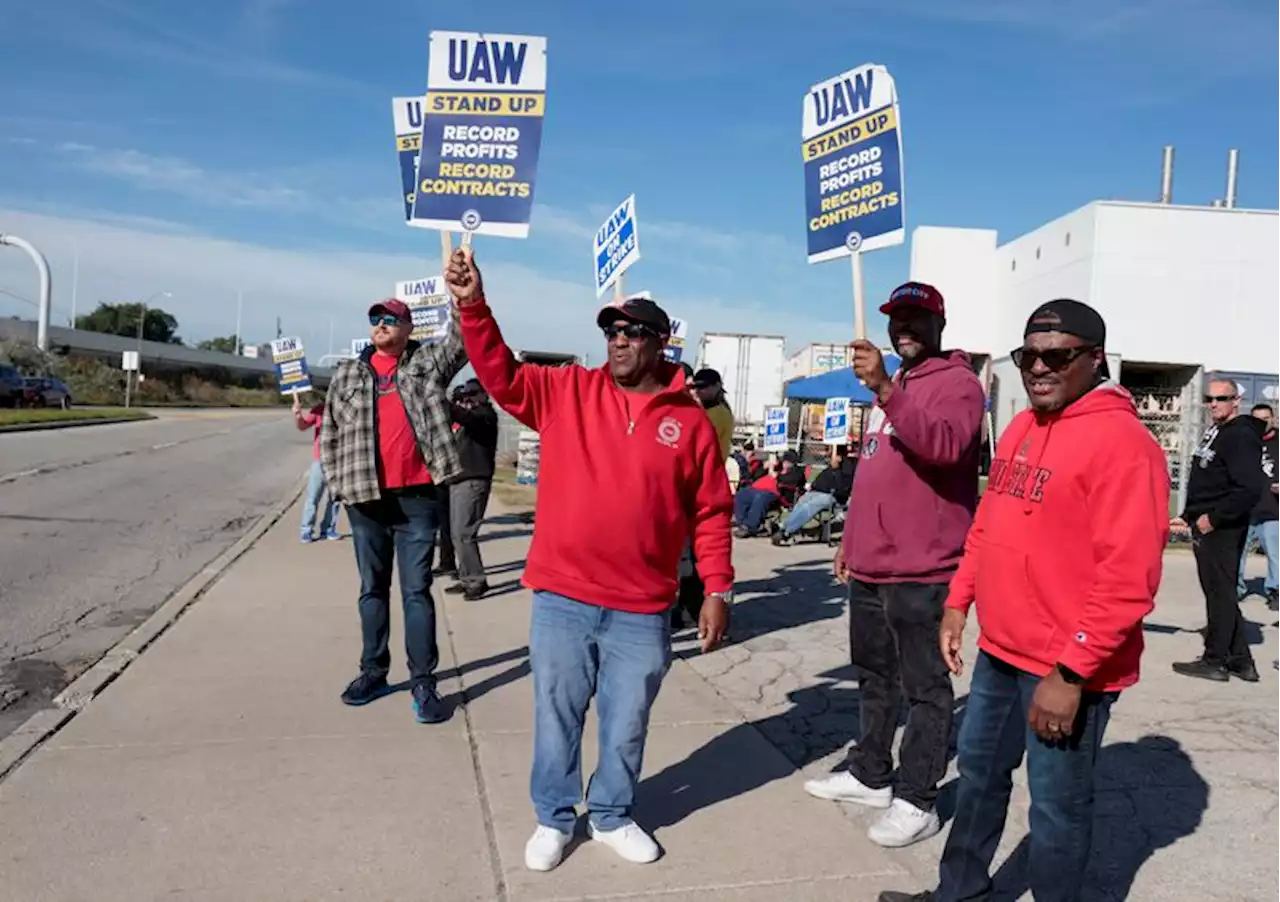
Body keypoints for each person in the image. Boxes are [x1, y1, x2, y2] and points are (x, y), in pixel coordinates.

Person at [445, 247, 733, 873]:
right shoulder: (566, 390)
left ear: (661, 342)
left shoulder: (690, 423)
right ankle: (554, 816)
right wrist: (473, 305)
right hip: (563, 597)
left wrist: (717, 588)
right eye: (610, 329)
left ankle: (610, 813)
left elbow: (711, 512)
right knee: (557, 717)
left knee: (626, 722)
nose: (618, 340)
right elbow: (499, 374)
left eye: (632, 331)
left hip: (643, 606)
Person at [877, 299, 1170, 902]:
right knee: (981, 779)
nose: (1038, 367)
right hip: (1001, 654)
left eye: (1056, 355)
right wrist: (960, 602)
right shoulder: (1019, 426)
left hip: (1067, 669)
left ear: (1095, 359)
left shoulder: (1125, 445)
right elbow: (988, 523)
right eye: (1027, 356)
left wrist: (1071, 672)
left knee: (1057, 810)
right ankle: (958, 892)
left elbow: (1128, 580)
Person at [806, 282, 984, 849]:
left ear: (940, 322)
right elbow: (876, 470)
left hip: (923, 568)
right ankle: (870, 773)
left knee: (925, 687)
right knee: (874, 676)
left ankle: (918, 797)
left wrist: (884, 388)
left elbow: (946, 447)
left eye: (915, 317)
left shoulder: (958, 384)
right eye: (896, 318)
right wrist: (850, 542)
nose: (903, 327)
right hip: (872, 566)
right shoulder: (899, 385)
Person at [320, 297, 467, 724]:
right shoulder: (348, 372)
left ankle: (423, 681)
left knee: (416, 592)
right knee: (372, 590)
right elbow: (329, 431)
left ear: (407, 327)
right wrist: (337, 483)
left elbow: (461, 340)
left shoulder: (427, 363)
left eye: (390, 319)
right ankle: (373, 672)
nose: (381, 325)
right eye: (375, 319)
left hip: (417, 498)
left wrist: (462, 296)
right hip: (365, 499)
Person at [1174, 378, 1266, 683]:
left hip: (1222, 528)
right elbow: (1209, 479)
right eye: (1209, 398)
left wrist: (1214, 518)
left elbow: (1249, 488)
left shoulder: (1239, 435)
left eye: (1221, 398)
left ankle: (1215, 660)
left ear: (1236, 400)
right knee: (1220, 592)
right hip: (1206, 522)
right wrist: (1188, 516)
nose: (1213, 403)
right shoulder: (1219, 431)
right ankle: (1241, 660)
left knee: (1219, 593)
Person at [443, 378, 499, 601]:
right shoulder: (469, 421)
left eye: (473, 395)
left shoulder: (485, 416)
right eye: (466, 396)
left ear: (483, 395)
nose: (469, 400)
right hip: (459, 480)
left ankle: (476, 580)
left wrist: (443, 402)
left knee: (464, 534)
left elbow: (467, 417)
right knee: (457, 534)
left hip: (473, 481)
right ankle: (467, 577)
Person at [1238, 403, 1279, 606]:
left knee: (1275, 555)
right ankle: (1236, 590)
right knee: (1237, 553)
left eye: (1266, 418)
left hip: (1273, 510)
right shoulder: (1243, 442)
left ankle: (1275, 591)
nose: (1262, 422)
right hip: (1245, 509)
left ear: (1273, 419)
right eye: (1257, 418)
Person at [772, 446, 855, 545]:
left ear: (839, 455)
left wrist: (836, 470)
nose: (828, 454)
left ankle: (786, 531)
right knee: (802, 501)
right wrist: (813, 485)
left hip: (833, 496)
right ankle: (784, 526)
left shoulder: (847, 468)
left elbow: (842, 487)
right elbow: (821, 480)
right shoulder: (830, 466)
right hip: (817, 492)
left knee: (810, 505)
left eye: (832, 452)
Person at [294, 394, 341, 542]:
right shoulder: (320, 410)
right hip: (320, 460)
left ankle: (328, 529)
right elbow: (302, 426)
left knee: (335, 499)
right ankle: (306, 530)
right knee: (313, 497)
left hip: (339, 460)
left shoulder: (345, 410)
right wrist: (297, 415)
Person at [691, 367, 735, 458]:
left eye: (703, 386)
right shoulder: (716, 410)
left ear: (717, 386)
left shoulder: (718, 413)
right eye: (695, 387)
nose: (698, 391)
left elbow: (698, 442)